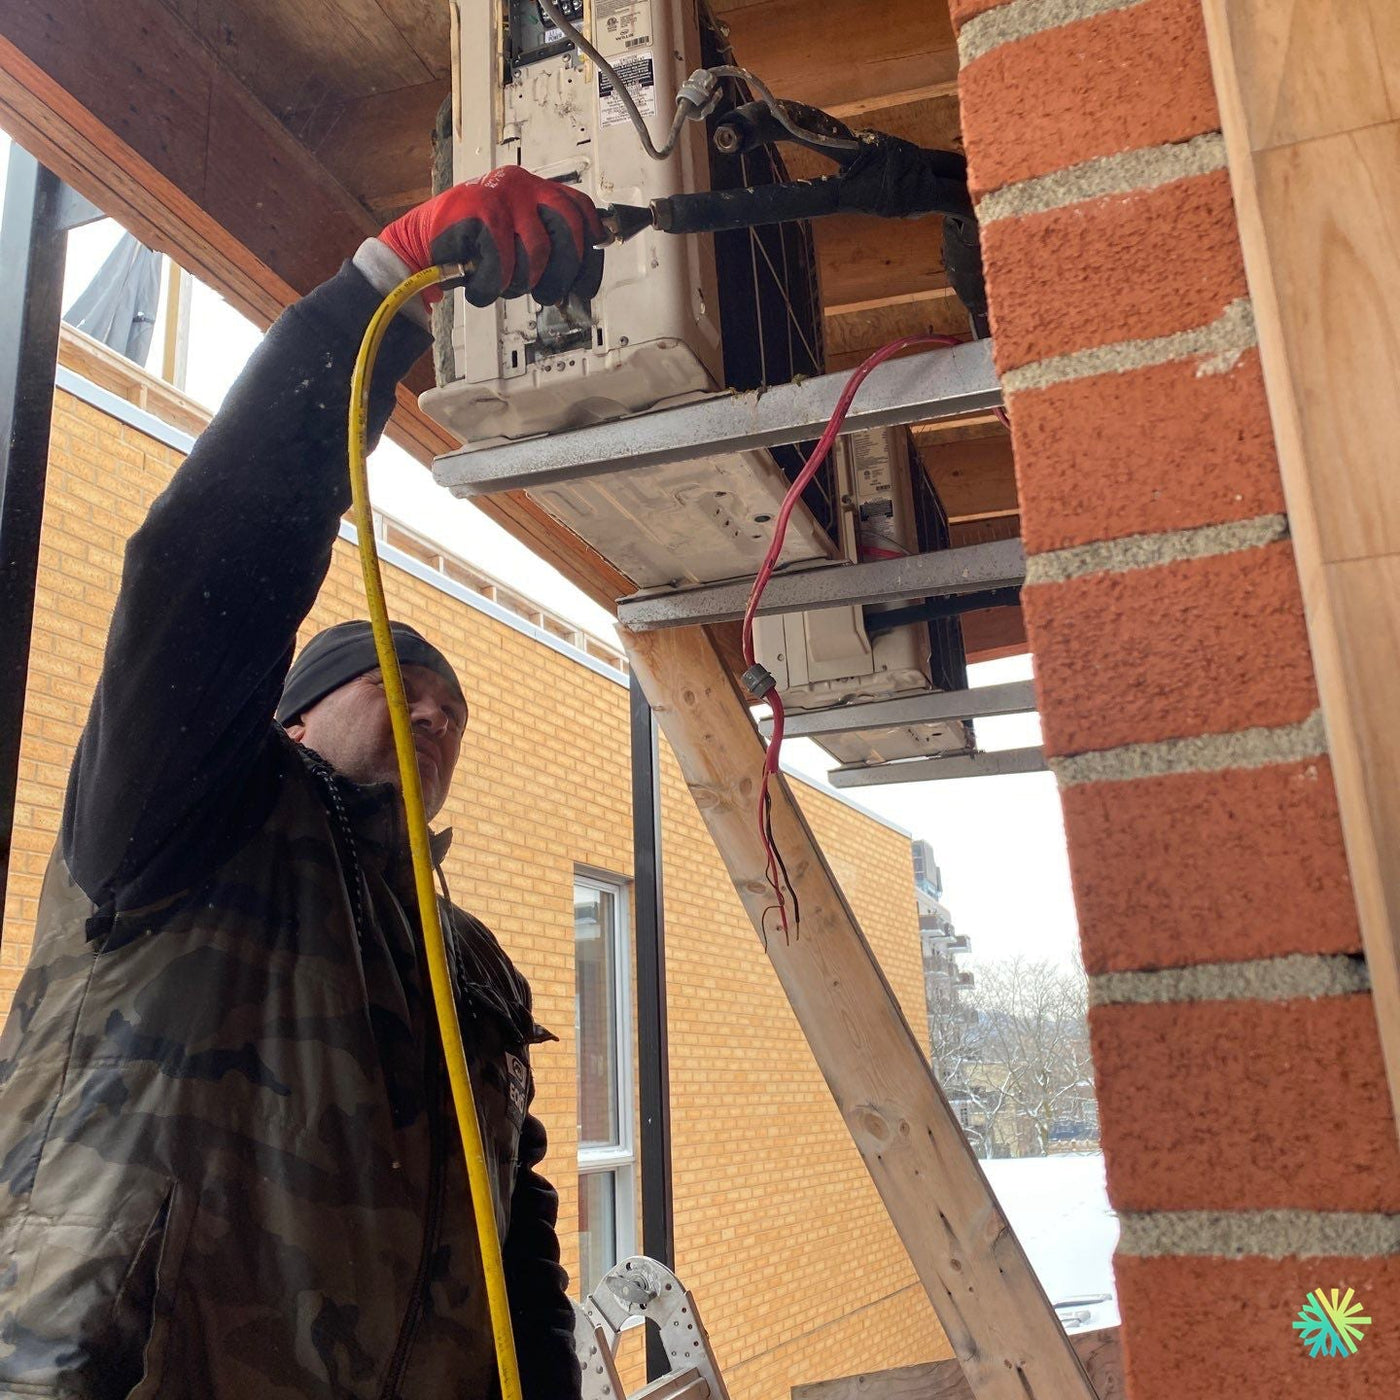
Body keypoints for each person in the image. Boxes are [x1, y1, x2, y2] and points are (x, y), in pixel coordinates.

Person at [0, 167, 605, 1399]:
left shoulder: (468, 962)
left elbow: (512, 1219)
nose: (435, 712)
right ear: (287, 710)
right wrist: (369, 304)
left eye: (455, 711)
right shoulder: (186, 819)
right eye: (394, 679)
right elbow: (200, 567)